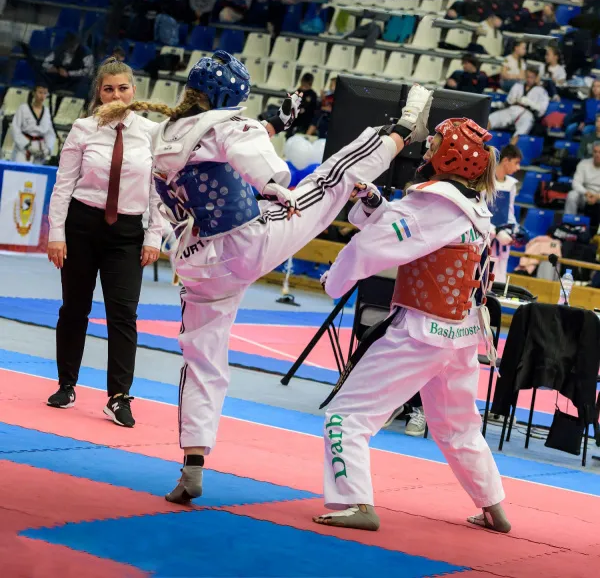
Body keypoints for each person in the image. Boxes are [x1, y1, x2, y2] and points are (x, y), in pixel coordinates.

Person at [94, 50, 434, 503]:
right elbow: (255, 160)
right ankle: (404, 127)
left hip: (198, 265)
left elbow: (212, 147)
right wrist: (275, 185)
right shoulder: (227, 126)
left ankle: (192, 466)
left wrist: (273, 124)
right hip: (246, 243)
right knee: (330, 179)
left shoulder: (165, 132)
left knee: (201, 361)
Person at [312, 117, 511, 534]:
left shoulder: (435, 203)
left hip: (420, 332)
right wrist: (374, 205)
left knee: (346, 416)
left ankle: (356, 502)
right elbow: (408, 229)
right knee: (458, 425)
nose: (427, 148)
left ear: (451, 155)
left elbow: (372, 245)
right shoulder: (473, 208)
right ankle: (494, 507)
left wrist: (333, 282)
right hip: (461, 334)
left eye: (435, 142)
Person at [46, 57, 163, 428]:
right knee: (74, 308)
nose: (116, 95)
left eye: (123, 88)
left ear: (134, 91)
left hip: (127, 234)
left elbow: (158, 190)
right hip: (81, 226)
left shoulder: (152, 133)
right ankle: (66, 384)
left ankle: (119, 396)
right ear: (99, 93)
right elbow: (63, 184)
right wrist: (56, 233)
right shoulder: (83, 129)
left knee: (124, 314)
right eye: (108, 89)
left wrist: (155, 235)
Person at [490, 144, 523, 283]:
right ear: (505, 161)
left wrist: (514, 229)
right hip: (486, 235)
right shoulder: (486, 179)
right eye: (516, 162)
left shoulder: (511, 184)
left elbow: (509, 211)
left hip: (503, 237)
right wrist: (495, 231)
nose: (518, 168)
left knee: (500, 277)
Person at [488, 67, 549, 137]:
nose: (529, 79)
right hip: (512, 109)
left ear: (536, 78)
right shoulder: (517, 86)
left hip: (527, 113)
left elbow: (542, 110)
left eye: (531, 77)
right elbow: (508, 101)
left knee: (520, 132)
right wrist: (513, 100)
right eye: (527, 77)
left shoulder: (542, 91)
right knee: (490, 119)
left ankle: (513, 143)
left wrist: (529, 103)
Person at [10, 84, 56, 164]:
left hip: (40, 149)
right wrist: (27, 145)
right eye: (40, 92)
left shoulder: (47, 111)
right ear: (34, 93)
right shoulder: (23, 108)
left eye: (45, 93)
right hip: (24, 148)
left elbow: (50, 133)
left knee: (37, 171)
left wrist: (48, 148)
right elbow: (15, 129)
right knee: (20, 169)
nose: (42, 96)